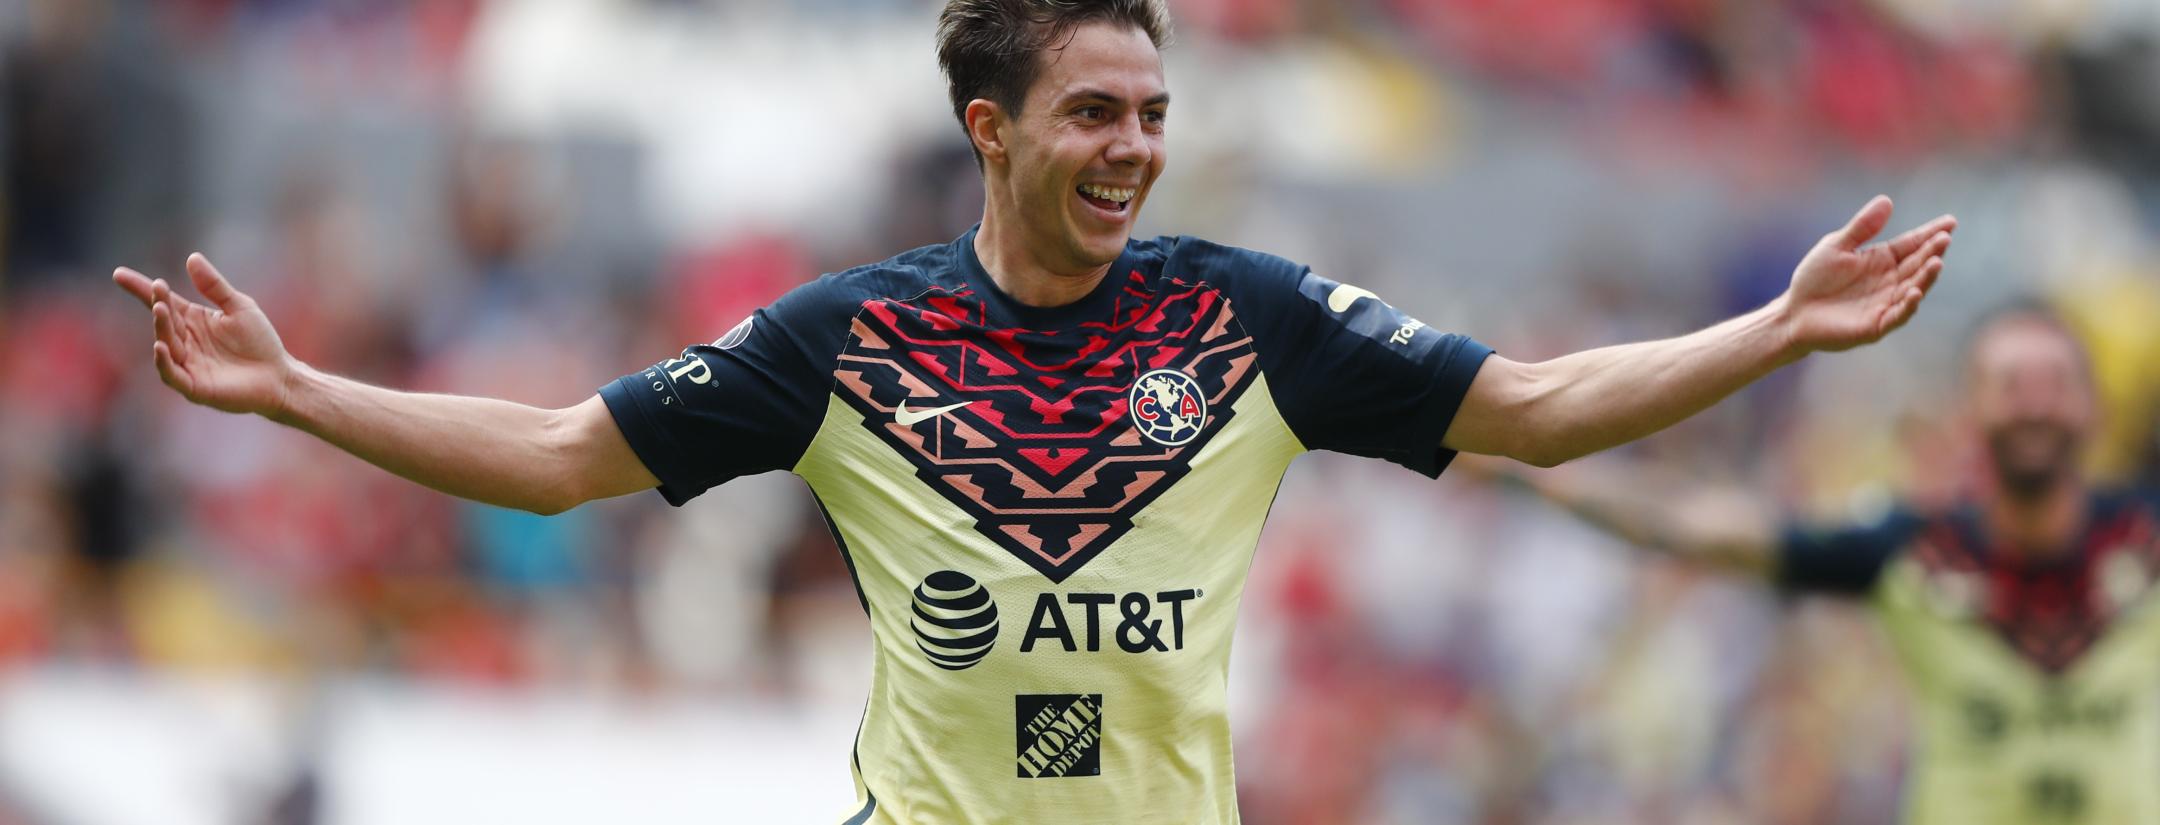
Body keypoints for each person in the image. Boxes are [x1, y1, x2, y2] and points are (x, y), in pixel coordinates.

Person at [110, 1, 1954, 821]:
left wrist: (1776, 331)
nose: (1135, 147)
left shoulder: (1248, 318)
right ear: (991, 130)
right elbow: (563, 459)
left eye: (1152, 113)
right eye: (1094, 113)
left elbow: (1533, 411)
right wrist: (296, 392)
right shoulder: (850, 338)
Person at [1485, 301, 2160, 825]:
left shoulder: (2146, 542)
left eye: (2055, 382)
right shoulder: (1918, 553)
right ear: (1970, 408)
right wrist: (1526, 467)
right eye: (2011, 383)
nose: (2035, 403)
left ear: (2093, 405)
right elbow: (1702, 527)